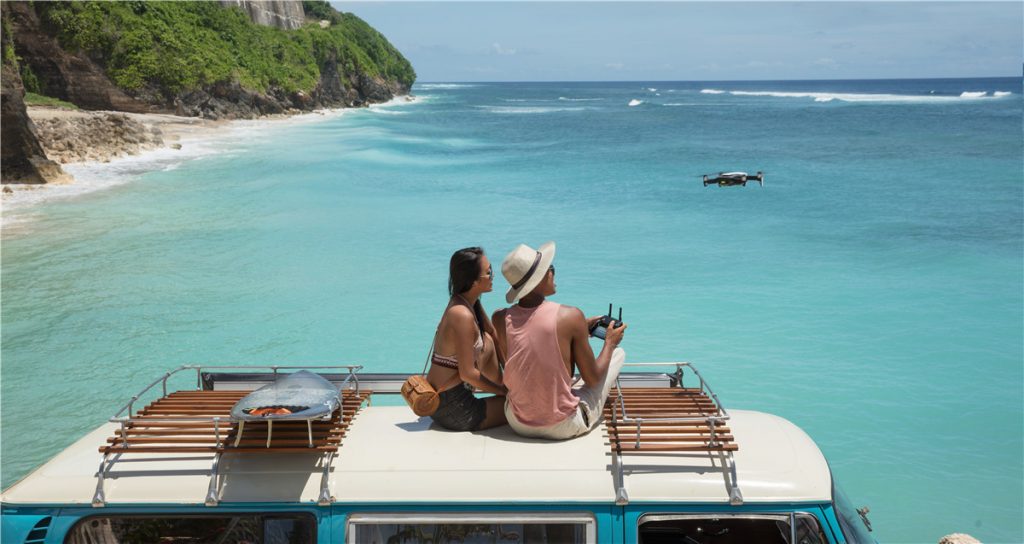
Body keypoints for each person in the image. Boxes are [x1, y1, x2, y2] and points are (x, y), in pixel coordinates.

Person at [492, 241, 626, 440]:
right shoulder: (570, 316)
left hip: (517, 421)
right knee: (616, 354)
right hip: (562, 425)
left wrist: (579, 328)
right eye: (551, 269)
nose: (554, 273)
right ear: (538, 280)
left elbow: (529, 345)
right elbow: (593, 379)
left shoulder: (499, 318)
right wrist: (609, 342)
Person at [426, 247, 508, 431]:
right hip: (454, 407)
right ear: (474, 281)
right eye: (488, 272)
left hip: (446, 399)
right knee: (521, 409)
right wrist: (504, 392)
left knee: (486, 339)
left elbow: (493, 334)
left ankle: (506, 386)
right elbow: (467, 374)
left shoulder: (466, 302)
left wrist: (509, 375)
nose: (492, 276)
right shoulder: (461, 314)